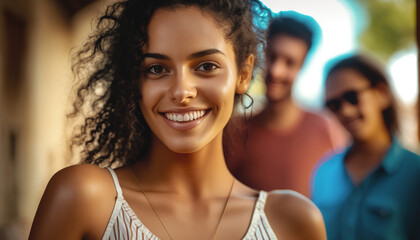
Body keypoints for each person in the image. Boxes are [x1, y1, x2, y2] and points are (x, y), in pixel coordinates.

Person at [28, 0, 327, 239]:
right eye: (157, 69)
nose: (182, 91)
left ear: (244, 73)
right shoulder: (84, 198)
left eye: (206, 66)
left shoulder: (293, 222)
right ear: (135, 81)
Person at [225, 11, 347, 196]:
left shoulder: (327, 130)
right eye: (272, 56)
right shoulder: (235, 131)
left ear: (302, 65)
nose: (276, 71)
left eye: (289, 62)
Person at [311, 54, 420, 240]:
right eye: (334, 105)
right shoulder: (324, 172)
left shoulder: (415, 172)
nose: (345, 111)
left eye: (352, 97)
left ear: (382, 94)